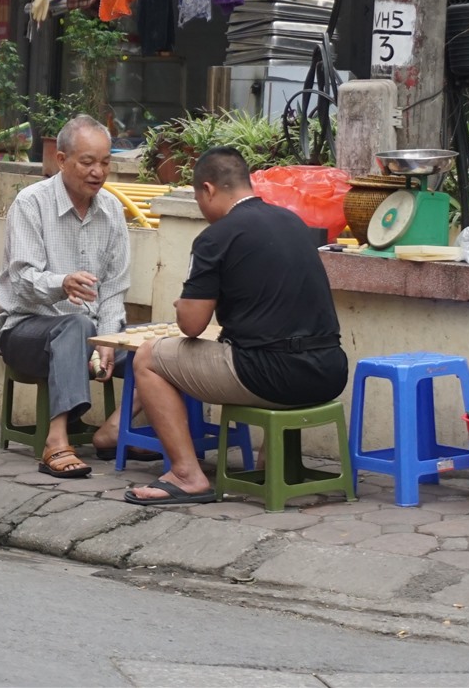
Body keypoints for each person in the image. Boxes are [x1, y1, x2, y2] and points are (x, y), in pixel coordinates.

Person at [124, 146, 349, 505]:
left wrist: (183, 305)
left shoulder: (215, 237)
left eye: (199, 198)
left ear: (208, 190)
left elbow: (193, 325)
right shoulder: (293, 223)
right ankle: (275, 464)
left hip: (269, 374)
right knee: (264, 343)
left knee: (148, 357)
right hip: (330, 370)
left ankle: (185, 474)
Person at [0, 115, 130, 477]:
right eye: (87, 162)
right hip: (26, 331)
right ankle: (56, 441)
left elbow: (115, 288)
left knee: (161, 349)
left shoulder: (113, 210)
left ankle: (114, 430)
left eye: (105, 162)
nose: (97, 172)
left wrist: (109, 338)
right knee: (75, 324)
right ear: (62, 160)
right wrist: (62, 282)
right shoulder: (31, 203)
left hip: (90, 332)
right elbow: (21, 280)